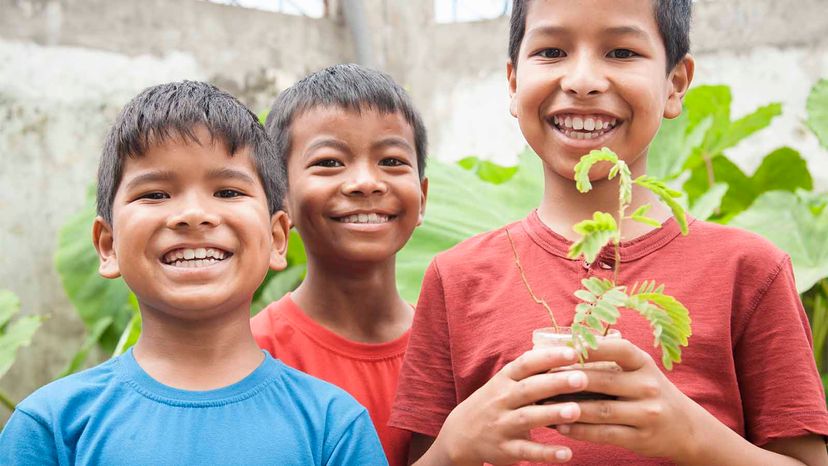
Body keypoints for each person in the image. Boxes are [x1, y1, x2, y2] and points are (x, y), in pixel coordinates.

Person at [390, 1, 828, 464]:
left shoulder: (749, 271)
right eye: (552, 51)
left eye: (621, 52)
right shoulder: (455, 278)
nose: (582, 80)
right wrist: (455, 446)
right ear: (514, 83)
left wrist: (692, 434)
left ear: (675, 84)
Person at [0, 81, 386, 466]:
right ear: (108, 245)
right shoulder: (51, 427)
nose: (193, 214)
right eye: (154, 194)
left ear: (276, 238)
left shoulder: (332, 425)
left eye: (228, 192)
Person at [251, 63, 428, 466]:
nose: (366, 182)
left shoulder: (449, 351)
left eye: (392, 161)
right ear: (282, 201)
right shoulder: (252, 356)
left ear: (422, 198)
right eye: (329, 163)